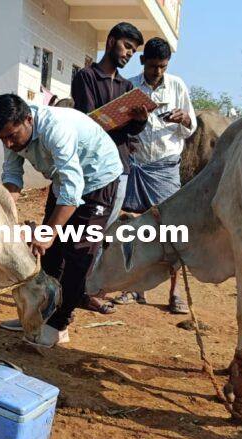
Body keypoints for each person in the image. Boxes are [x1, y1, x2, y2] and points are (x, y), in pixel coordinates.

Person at [0, 93, 122, 347]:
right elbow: (13, 176)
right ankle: (38, 316)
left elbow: (74, 189)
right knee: (50, 257)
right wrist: (4, 215)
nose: (8, 144)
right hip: (63, 180)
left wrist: (48, 232)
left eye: (12, 136)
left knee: (77, 254)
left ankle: (58, 326)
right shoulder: (11, 135)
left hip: (98, 179)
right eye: (2, 139)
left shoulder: (55, 129)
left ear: (28, 119)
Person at [113, 37, 197, 314]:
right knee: (131, 229)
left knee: (172, 230)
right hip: (135, 165)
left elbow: (191, 126)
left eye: (162, 67)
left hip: (165, 166)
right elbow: (118, 127)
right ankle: (132, 289)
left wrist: (183, 118)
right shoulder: (130, 87)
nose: (157, 72)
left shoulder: (178, 86)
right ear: (142, 62)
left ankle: (176, 294)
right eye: (152, 67)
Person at [70, 22, 148, 315]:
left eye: (133, 50)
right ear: (111, 41)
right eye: (127, 46)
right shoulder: (86, 77)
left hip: (120, 167)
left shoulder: (128, 87)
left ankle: (83, 289)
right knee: (78, 227)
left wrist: (139, 118)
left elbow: (132, 133)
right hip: (90, 167)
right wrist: (122, 120)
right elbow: (89, 122)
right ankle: (63, 287)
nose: (129, 53)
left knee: (100, 230)